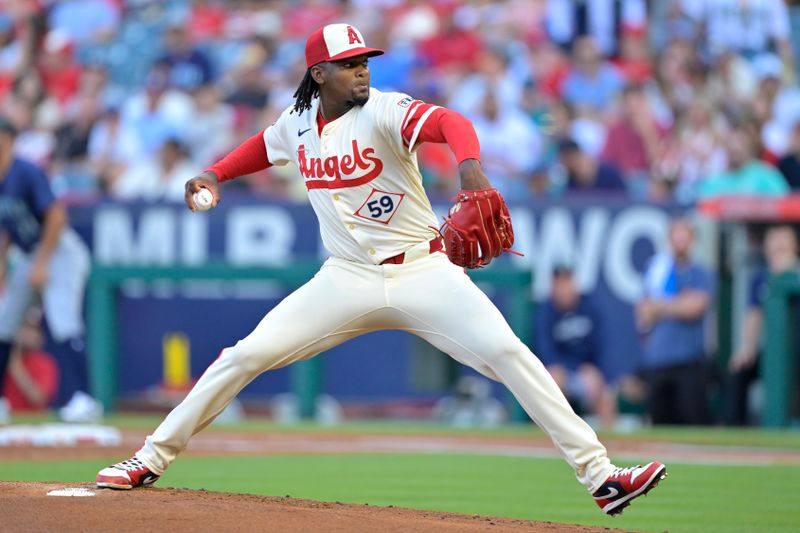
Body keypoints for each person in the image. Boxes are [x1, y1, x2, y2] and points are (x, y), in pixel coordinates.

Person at [96, 23, 666, 515]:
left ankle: (600, 477)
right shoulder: (297, 121)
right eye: (348, 65)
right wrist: (216, 174)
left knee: (510, 354)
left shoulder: (385, 110)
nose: (362, 71)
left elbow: (452, 122)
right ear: (319, 74)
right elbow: (262, 146)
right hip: (345, 277)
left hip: (423, 270)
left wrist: (469, 167)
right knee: (244, 355)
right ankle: (149, 458)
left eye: (365, 60)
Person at [0, 115, 101, 423]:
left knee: (62, 322)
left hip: (59, 251)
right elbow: (5, 230)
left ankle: (84, 398)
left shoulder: (25, 171)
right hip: (30, 253)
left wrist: (42, 263)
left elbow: (56, 217)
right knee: (4, 324)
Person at [636, 216, 714, 425]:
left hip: (688, 360)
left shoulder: (701, 273)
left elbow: (694, 308)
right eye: (676, 235)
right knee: (659, 422)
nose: (680, 241)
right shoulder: (657, 272)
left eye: (685, 235)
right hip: (658, 359)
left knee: (694, 420)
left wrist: (660, 306)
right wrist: (678, 303)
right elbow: (643, 313)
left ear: (693, 240)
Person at [726, 225, 799, 425]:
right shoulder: (760, 276)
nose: (778, 246)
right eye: (773, 241)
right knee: (740, 371)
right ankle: (734, 432)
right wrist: (747, 347)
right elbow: (754, 314)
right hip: (774, 353)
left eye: (784, 241)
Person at [536, 265, 616, 427]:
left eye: (567, 283)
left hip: (585, 373)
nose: (564, 289)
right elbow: (547, 353)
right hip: (562, 371)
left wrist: (595, 373)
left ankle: (611, 444)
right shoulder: (545, 312)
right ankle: (546, 440)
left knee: (604, 394)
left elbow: (600, 348)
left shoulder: (588, 307)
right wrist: (574, 368)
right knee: (554, 380)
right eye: (560, 284)